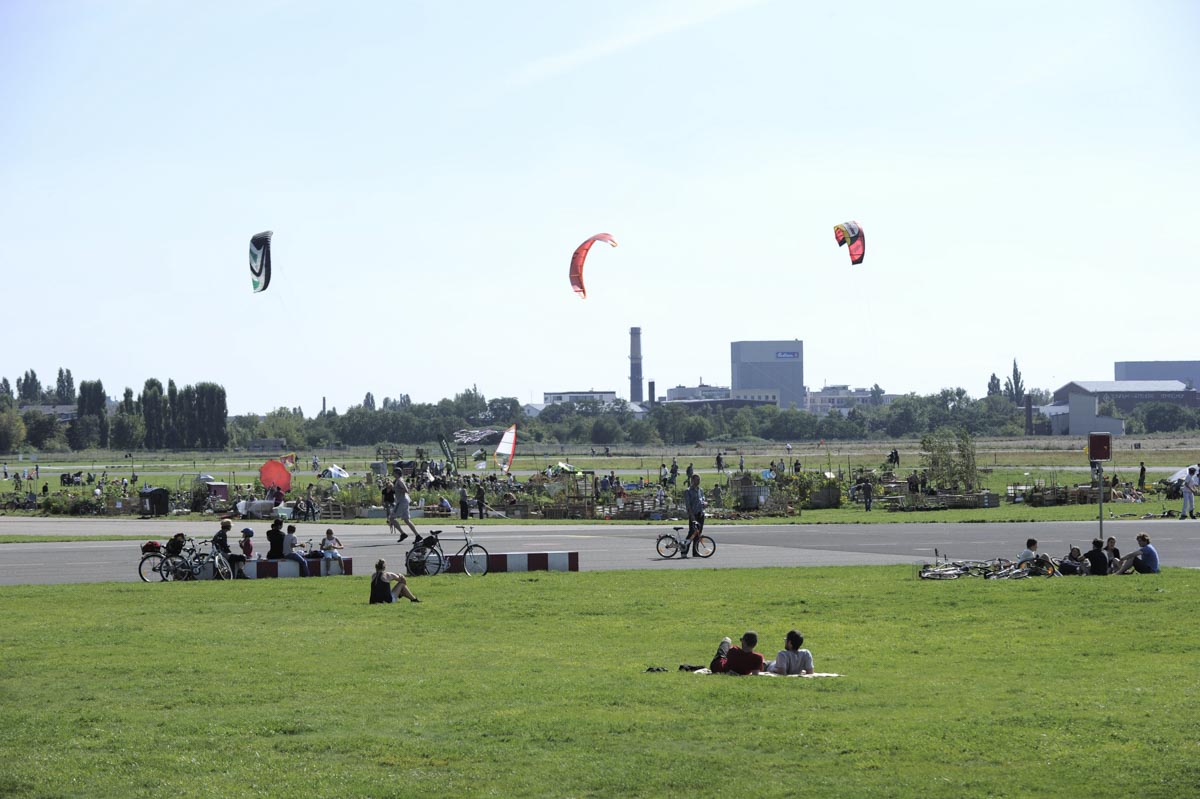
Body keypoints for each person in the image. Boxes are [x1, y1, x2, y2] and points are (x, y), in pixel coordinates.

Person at [682, 473, 706, 558]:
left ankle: (695, 552)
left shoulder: (701, 490)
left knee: (698, 534)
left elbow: (702, 500)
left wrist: (705, 504)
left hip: (701, 514)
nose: (698, 481)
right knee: (691, 533)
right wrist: (691, 516)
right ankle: (684, 551)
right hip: (694, 515)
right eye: (697, 479)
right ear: (692, 480)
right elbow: (688, 505)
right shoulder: (688, 491)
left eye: (699, 479)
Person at [392, 477, 420, 543]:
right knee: (406, 520)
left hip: (401, 501)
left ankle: (402, 534)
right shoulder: (398, 480)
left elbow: (406, 490)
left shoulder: (399, 480)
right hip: (404, 501)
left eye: (394, 472)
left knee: (391, 518)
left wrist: (398, 489)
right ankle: (418, 536)